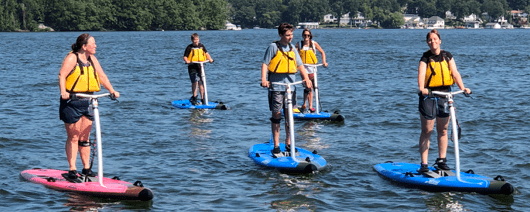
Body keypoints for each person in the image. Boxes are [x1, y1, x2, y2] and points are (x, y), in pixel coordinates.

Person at [58, 33, 120, 180]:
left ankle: (86, 169)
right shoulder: (72, 58)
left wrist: (112, 90)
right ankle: (72, 169)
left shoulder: (92, 59)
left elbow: (102, 76)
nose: (95, 46)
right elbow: (62, 75)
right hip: (72, 101)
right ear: (84, 47)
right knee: (73, 136)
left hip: (89, 100)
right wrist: (63, 92)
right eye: (93, 44)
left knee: (85, 138)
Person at [417, 29, 471, 172]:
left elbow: (455, 73)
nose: (433, 42)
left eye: (435, 39)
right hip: (429, 94)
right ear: (427, 42)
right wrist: (422, 88)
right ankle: (424, 165)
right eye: (430, 40)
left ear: (439, 40)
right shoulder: (425, 58)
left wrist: (463, 87)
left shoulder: (447, 56)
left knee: (443, 129)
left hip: (445, 94)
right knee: (427, 130)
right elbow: (421, 74)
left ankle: (442, 161)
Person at [261, 23, 312, 154]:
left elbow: (300, 66)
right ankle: (276, 146)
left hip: (291, 88)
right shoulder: (273, 47)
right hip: (277, 87)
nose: (290, 37)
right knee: (277, 115)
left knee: (290, 116)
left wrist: (306, 79)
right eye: (288, 35)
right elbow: (265, 64)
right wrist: (264, 80)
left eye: (292, 34)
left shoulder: (292, 49)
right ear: (281, 35)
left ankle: (289, 144)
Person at [295, 29, 328, 113]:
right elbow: (293, 55)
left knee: (312, 88)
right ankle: (306, 105)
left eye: (308, 35)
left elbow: (322, 52)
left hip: (312, 69)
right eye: (305, 35)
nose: (306, 37)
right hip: (303, 69)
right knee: (308, 86)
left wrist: (324, 61)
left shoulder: (313, 44)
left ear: (310, 36)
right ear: (302, 36)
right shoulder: (299, 44)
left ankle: (308, 105)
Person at [183, 33, 214, 105]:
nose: (196, 42)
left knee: (201, 82)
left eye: (197, 40)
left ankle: (203, 98)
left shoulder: (201, 46)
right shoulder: (189, 47)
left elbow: (206, 54)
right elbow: (185, 56)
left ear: (198, 39)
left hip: (200, 66)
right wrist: (187, 61)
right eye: (194, 40)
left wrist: (210, 59)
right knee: (195, 82)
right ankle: (194, 98)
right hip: (192, 66)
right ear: (192, 40)